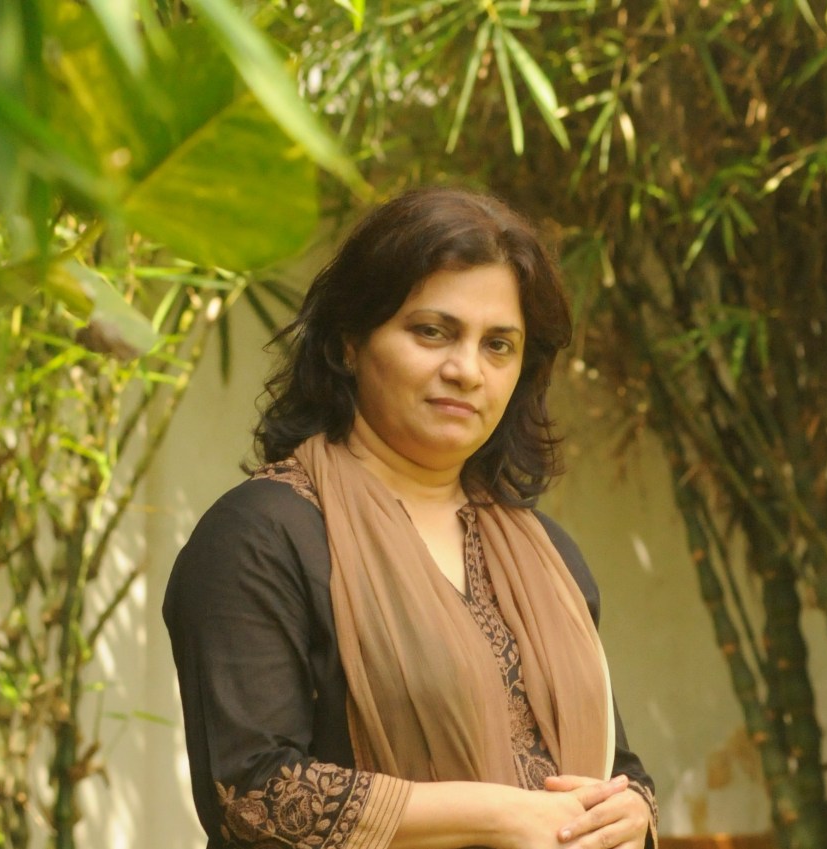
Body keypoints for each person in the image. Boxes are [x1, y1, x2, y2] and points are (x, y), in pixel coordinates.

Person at [163, 186, 658, 849]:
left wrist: (633, 811)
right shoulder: (262, 538)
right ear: (349, 342)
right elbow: (253, 795)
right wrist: (497, 816)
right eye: (432, 331)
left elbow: (617, 766)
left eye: (499, 345)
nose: (467, 370)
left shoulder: (547, 553)